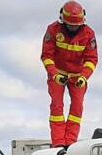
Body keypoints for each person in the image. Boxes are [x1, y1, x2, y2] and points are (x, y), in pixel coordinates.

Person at [41, 1, 98, 147]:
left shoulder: (89, 34)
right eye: (70, 24)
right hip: (57, 75)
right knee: (57, 107)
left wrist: (84, 77)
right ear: (63, 20)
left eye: (76, 25)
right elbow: (47, 56)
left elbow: (91, 59)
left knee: (77, 108)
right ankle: (59, 143)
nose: (73, 27)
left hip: (78, 76)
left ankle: (70, 142)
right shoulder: (53, 30)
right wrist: (54, 74)